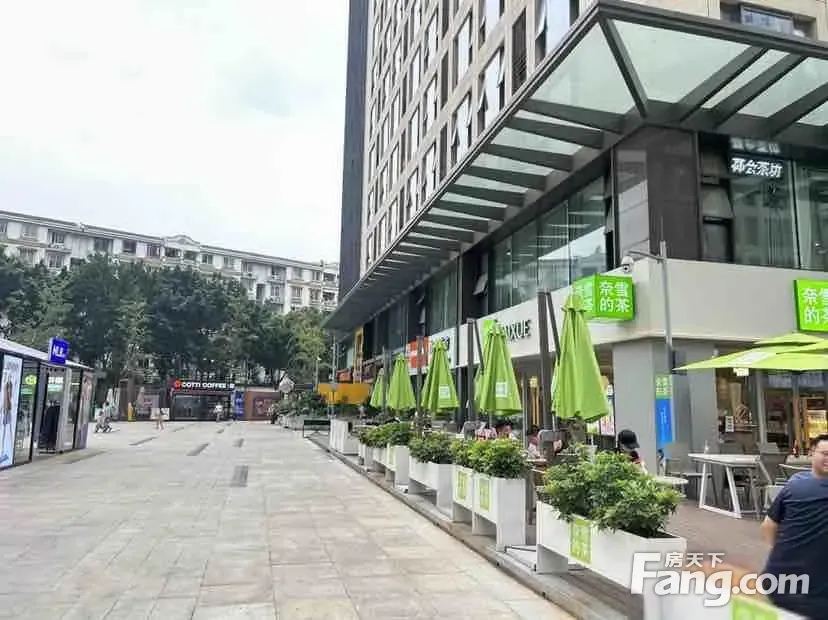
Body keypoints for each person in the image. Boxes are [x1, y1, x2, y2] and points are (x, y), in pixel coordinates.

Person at [760, 434, 828, 618]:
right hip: (811, 590)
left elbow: (769, 525)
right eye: (825, 453)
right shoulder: (795, 485)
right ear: (812, 453)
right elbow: (768, 525)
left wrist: (780, 551)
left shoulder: (794, 482)